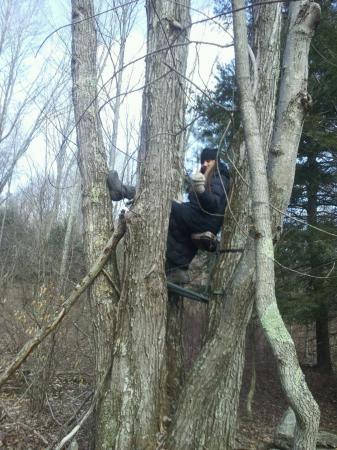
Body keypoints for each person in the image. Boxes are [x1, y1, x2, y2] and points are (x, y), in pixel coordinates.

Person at [107, 148, 230, 284]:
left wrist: (200, 190)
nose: (205, 164)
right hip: (201, 219)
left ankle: (122, 191)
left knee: (161, 201)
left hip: (204, 220)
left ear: (216, 161)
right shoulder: (212, 177)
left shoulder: (220, 177)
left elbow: (213, 204)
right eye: (203, 162)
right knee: (177, 229)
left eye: (208, 161)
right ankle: (177, 271)